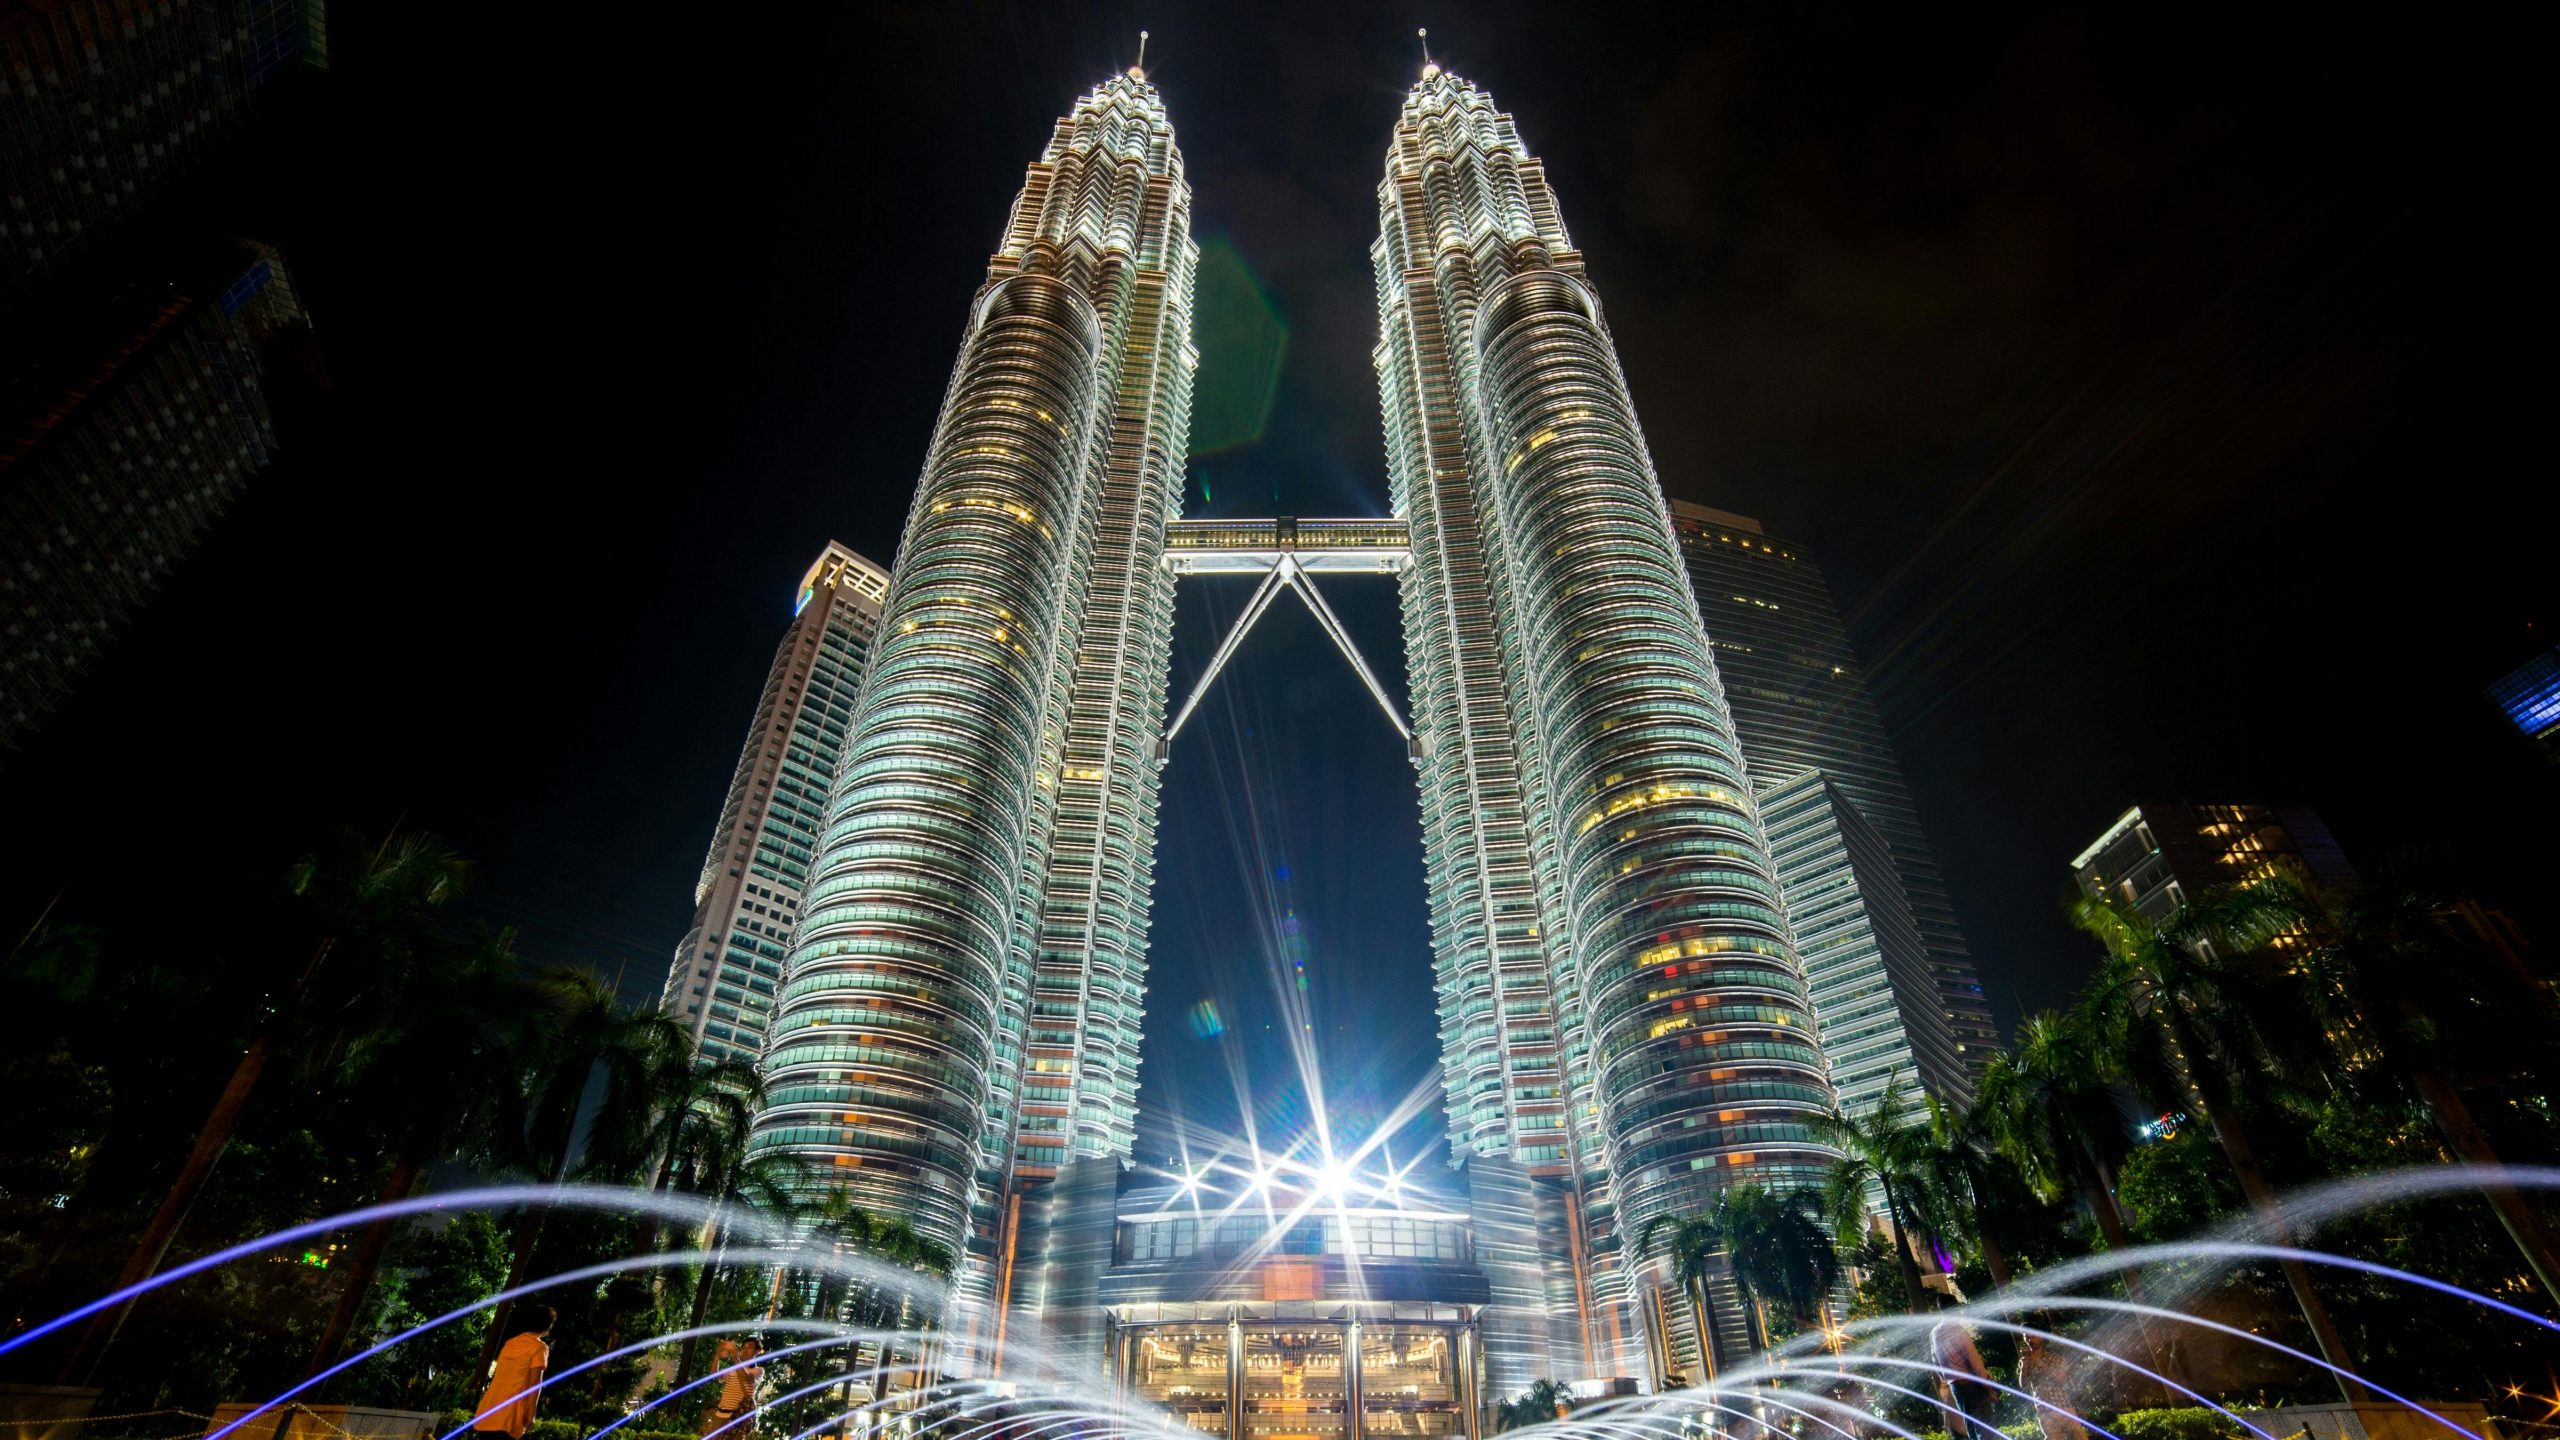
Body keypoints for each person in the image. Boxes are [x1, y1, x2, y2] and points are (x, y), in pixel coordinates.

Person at [472, 1305, 556, 1439]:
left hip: (489, 1410)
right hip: (510, 1414)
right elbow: (535, 1385)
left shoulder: (510, 1343)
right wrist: (531, 1414)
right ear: (547, 1326)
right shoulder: (539, 1347)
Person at [1930, 1319, 1997, 1440]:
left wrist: (1947, 1378)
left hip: (1956, 1387)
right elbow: (1974, 1361)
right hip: (1972, 1384)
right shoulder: (1959, 1331)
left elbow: (1935, 1361)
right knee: (1986, 1427)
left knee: (1970, 1426)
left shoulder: (1935, 1333)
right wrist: (1988, 1385)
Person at [2016, 1336, 2088, 1440]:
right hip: (2044, 1410)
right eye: (2026, 1337)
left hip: (2064, 1406)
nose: (2029, 1340)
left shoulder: (2056, 1357)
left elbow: (2062, 1379)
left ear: (2040, 1337)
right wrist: (2024, 1366)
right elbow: (2024, 1385)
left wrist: (2039, 1363)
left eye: (2032, 1336)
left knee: (2079, 1437)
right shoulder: (2026, 1361)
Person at [701, 1335, 765, 1437]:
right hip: (721, 1413)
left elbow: (746, 1378)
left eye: (750, 1347)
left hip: (738, 1416)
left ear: (757, 1351)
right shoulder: (733, 1369)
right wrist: (718, 1355)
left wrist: (736, 1358)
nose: (745, 1350)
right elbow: (714, 1374)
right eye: (744, 1347)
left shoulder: (758, 1370)